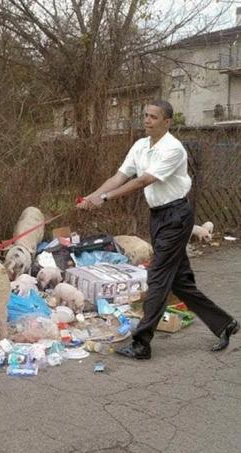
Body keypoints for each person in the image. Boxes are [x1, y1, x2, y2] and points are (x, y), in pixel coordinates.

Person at [77, 100, 239, 359]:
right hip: (158, 216)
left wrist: (106, 199)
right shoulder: (140, 146)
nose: (147, 120)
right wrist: (92, 196)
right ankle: (224, 323)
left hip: (176, 216)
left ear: (167, 122)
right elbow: (120, 177)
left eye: (153, 117)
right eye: (145, 115)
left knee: (158, 277)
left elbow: (143, 180)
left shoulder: (173, 149)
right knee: (180, 281)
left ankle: (142, 343)